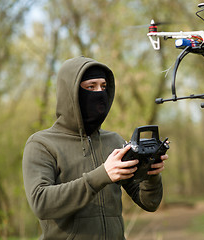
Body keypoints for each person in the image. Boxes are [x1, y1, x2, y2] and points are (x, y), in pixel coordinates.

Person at [22, 56, 168, 239]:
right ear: (71, 92)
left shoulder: (113, 141)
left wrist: (151, 173)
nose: (99, 93)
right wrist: (102, 175)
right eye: (91, 87)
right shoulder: (42, 144)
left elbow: (150, 203)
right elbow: (41, 203)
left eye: (103, 86)